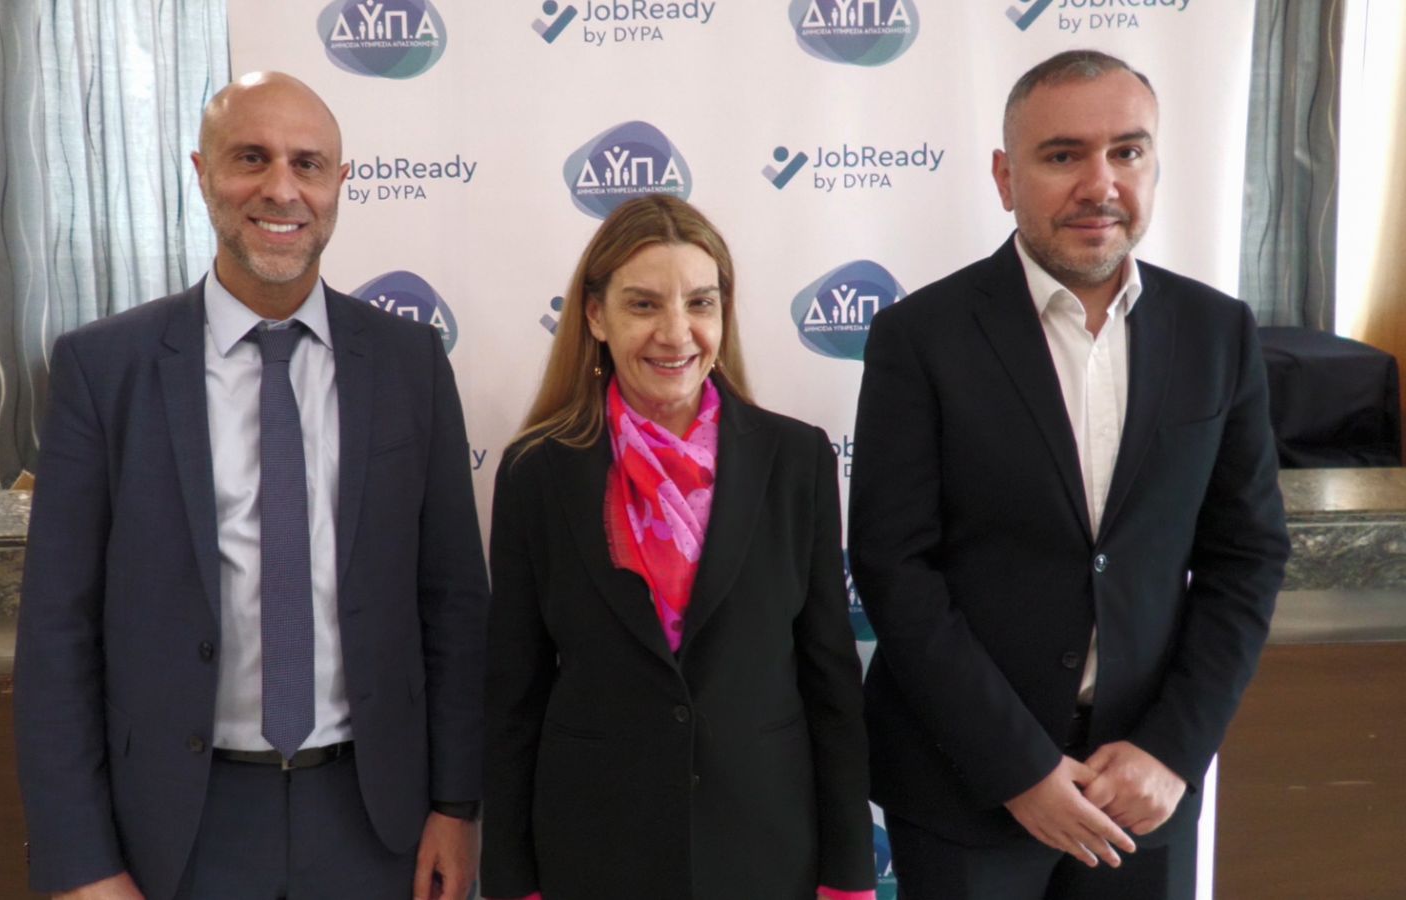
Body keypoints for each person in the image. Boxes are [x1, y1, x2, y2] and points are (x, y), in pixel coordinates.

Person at [13, 72, 489, 900]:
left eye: (308, 164)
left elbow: (452, 604)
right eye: (250, 158)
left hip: (376, 823)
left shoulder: (410, 365)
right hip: (177, 829)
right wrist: (80, 859)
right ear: (202, 174)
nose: (281, 189)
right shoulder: (103, 369)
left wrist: (458, 805)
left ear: (340, 184)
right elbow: (58, 633)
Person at [849, 50, 1289, 900]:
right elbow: (894, 567)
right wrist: (1018, 768)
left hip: (1144, 792)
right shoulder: (920, 337)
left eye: (1128, 151)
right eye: (1063, 155)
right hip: (965, 787)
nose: (1101, 184)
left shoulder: (1218, 332)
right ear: (1005, 176)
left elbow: (1247, 558)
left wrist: (1173, 749)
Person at [481, 195, 877, 900]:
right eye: (643, 305)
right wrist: (513, 882)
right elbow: (515, 695)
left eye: (700, 303)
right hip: (593, 854)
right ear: (595, 316)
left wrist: (848, 876)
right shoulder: (537, 473)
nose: (676, 333)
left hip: (765, 851)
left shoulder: (796, 461)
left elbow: (832, 689)